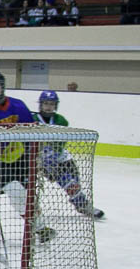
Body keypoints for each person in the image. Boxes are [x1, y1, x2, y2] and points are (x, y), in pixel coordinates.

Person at [0, 71, 54, 243]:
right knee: (16, 192)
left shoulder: (18, 106)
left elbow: (31, 133)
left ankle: (38, 226)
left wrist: (37, 156)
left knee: (28, 195)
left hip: (19, 157)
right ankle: (39, 228)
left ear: (2, 86)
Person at [33, 91, 104, 219]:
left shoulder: (61, 120)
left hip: (61, 157)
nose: (49, 106)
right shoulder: (33, 119)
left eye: (52, 104)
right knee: (67, 181)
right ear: (40, 104)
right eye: (46, 103)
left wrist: (53, 154)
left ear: (56, 105)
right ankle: (83, 204)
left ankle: (79, 203)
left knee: (75, 181)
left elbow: (61, 142)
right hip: (40, 160)